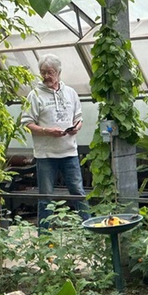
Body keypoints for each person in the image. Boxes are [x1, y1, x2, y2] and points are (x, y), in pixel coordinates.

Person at [21, 54, 87, 226]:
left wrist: (76, 128)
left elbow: (79, 118)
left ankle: (89, 231)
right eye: (43, 72)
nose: (46, 76)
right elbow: (27, 123)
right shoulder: (35, 95)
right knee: (46, 196)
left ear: (58, 72)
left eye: (49, 72)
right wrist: (47, 131)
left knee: (78, 192)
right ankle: (44, 235)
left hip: (69, 152)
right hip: (46, 156)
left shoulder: (71, 93)